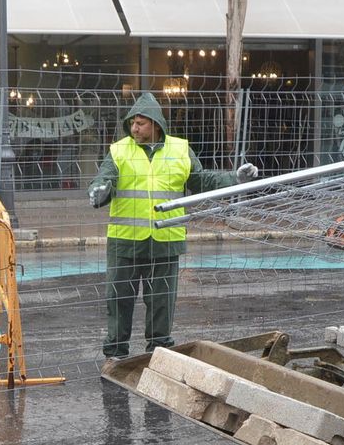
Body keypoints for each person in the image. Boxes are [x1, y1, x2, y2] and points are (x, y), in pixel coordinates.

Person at [88, 92, 258, 360]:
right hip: (124, 242)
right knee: (119, 302)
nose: (134, 128)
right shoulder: (119, 150)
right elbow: (103, 180)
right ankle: (115, 355)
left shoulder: (181, 150)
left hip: (166, 241)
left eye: (140, 123)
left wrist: (234, 178)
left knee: (161, 304)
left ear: (156, 124)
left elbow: (202, 182)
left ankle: (159, 355)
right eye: (132, 122)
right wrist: (98, 192)